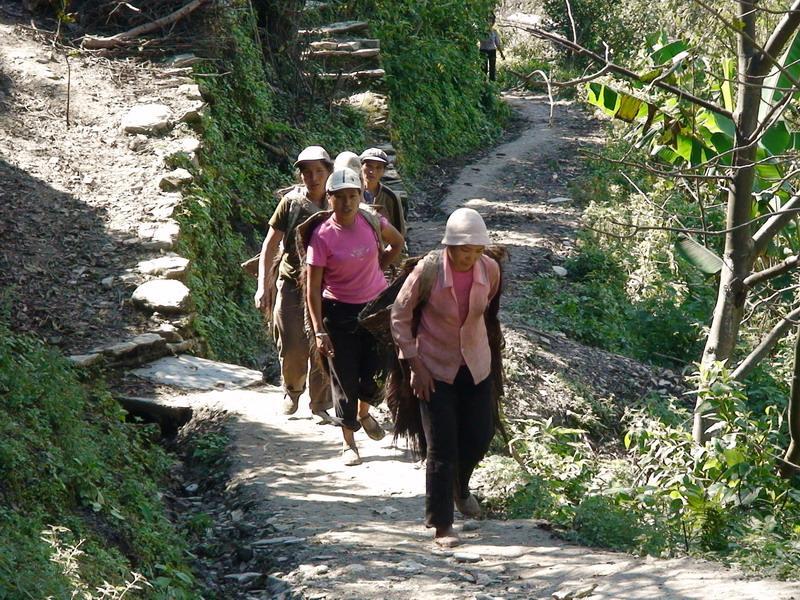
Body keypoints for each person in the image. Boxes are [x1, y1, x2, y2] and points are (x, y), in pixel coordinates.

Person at [390, 208, 503, 547]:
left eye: (476, 250)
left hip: (477, 366)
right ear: (450, 247)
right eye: (464, 250)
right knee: (441, 446)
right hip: (434, 368)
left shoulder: (490, 270)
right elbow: (399, 315)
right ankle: (442, 525)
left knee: (480, 436)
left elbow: (488, 312)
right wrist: (415, 365)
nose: (470, 257)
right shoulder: (429, 271)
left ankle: (460, 486)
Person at [304, 168, 404, 466]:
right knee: (344, 378)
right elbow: (312, 290)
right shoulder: (322, 237)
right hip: (339, 314)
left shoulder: (372, 222)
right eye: (340, 197)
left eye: (353, 196)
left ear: (361, 196)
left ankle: (363, 411)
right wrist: (319, 331)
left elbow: (396, 242)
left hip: (374, 309)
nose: (347, 203)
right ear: (329, 199)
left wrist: (377, 266)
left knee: (376, 370)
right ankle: (348, 441)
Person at [254, 146, 334, 418]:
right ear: (300, 175)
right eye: (307, 172)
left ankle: (321, 403)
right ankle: (292, 388)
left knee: (324, 344)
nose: (313, 177)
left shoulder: (339, 201)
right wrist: (263, 285)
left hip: (328, 287)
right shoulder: (290, 203)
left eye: (319, 171)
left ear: (329, 172)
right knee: (292, 344)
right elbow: (270, 244)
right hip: (291, 282)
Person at [359, 148, 406, 239]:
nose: (373, 171)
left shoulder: (390, 197)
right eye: (369, 166)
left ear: (384, 171)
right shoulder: (353, 193)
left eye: (378, 168)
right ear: (361, 167)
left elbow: (399, 232)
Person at [479, 14, 505, 81]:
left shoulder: (494, 32)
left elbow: (497, 44)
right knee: (483, 69)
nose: (490, 22)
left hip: (492, 51)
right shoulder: (481, 31)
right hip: (483, 50)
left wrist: (501, 54)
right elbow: (480, 39)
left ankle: (492, 85)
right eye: (488, 20)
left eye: (491, 21)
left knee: (492, 69)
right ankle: (483, 86)